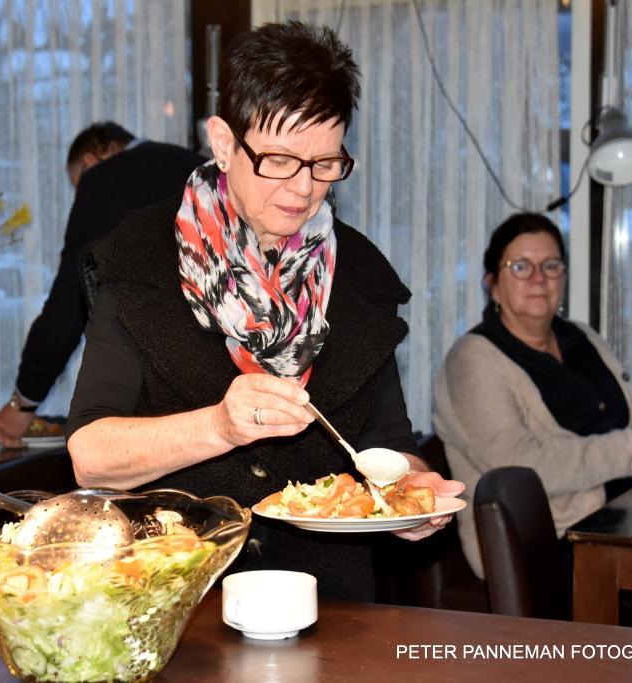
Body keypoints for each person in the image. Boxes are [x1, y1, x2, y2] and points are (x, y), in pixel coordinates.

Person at [64, 22, 464, 602]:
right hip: (174, 600)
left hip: (328, 604)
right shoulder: (139, 258)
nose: (303, 188)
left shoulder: (359, 276)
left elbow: (389, 441)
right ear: (224, 143)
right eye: (279, 159)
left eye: (325, 163)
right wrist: (217, 427)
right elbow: (90, 457)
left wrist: (410, 493)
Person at [432, 212, 632, 581]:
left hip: (621, 518)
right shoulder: (472, 358)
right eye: (520, 267)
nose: (539, 278)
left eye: (551, 265)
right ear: (492, 284)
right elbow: (522, 467)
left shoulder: (582, 337)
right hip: (543, 545)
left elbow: (628, 422)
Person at [0, 122, 207, 446]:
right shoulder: (196, 165)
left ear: (92, 160)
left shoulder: (105, 178)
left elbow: (68, 302)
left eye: (79, 183)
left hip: (162, 387)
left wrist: (23, 402)